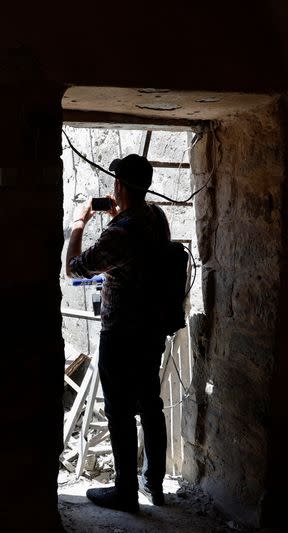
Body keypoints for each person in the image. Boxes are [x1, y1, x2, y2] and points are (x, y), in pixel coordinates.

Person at [65, 154, 170, 513]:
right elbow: (139, 252)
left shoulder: (120, 232)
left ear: (120, 186)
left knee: (119, 410)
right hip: (151, 328)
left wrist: (79, 223)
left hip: (122, 332)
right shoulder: (156, 217)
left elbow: (74, 269)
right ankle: (153, 483)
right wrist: (117, 216)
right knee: (151, 405)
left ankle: (125, 490)